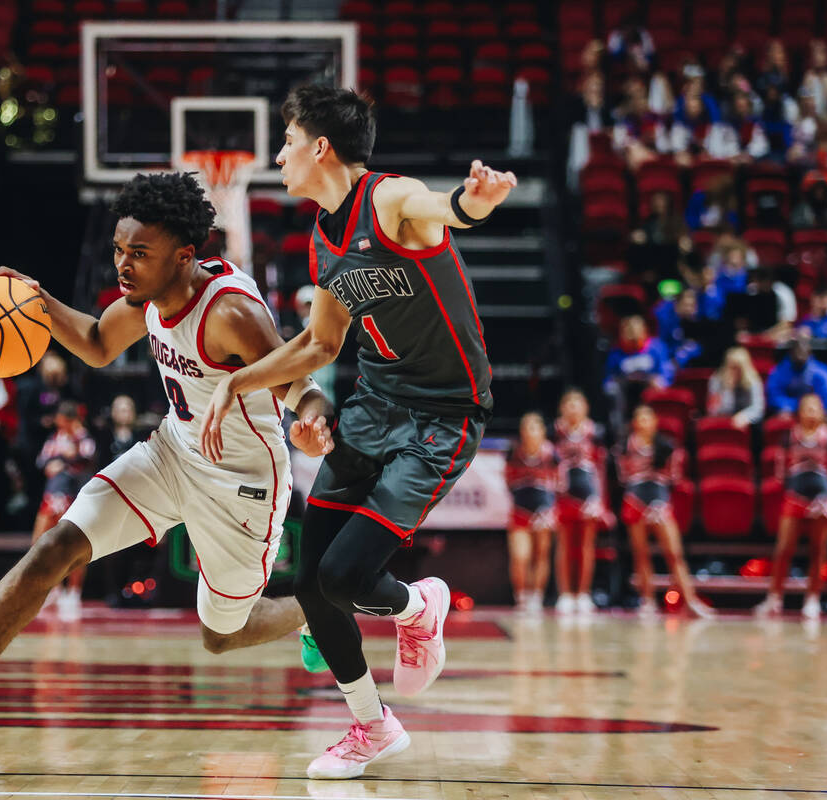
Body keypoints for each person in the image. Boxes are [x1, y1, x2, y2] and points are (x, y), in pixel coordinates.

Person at [0, 171, 334, 757]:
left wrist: (314, 420)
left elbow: (302, 386)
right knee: (54, 548)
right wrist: (34, 298)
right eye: (119, 249)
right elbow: (94, 341)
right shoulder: (147, 297)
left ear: (185, 256)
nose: (123, 264)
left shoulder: (230, 315)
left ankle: (313, 609)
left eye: (138, 253)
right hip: (172, 453)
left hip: (241, 485)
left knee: (223, 636)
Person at [198, 86, 513, 780]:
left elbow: (446, 211)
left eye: (286, 142)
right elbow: (319, 345)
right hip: (373, 408)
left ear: (319, 148)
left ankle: (418, 604)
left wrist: (477, 201)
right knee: (312, 585)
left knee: (346, 576)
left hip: (443, 415)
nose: (277, 154)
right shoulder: (323, 240)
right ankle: (373, 727)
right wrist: (244, 386)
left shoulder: (391, 198)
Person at [616, 404, 714, 619]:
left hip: (659, 499)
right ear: (634, 423)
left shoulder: (666, 446)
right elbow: (623, 477)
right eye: (639, 418)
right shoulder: (624, 446)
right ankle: (647, 601)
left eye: (647, 418)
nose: (643, 422)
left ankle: (690, 600)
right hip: (634, 500)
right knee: (641, 555)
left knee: (674, 554)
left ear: (654, 422)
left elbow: (674, 477)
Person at [756, 393, 827, 621]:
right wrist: (788, 489)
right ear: (799, 412)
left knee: (818, 550)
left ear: (822, 412)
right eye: (807, 408)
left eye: (815, 408)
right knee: (784, 549)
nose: (811, 412)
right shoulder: (790, 437)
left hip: (821, 500)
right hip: (795, 497)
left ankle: (812, 599)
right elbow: (781, 469)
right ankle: (775, 597)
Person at [32, 400, 96, 621]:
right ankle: (55, 588)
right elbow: (41, 461)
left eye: (62, 421)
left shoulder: (83, 437)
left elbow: (87, 459)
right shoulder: (55, 438)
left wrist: (63, 460)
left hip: (74, 493)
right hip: (53, 493)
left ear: (71, 420)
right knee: (41, 540)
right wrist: (60, 459)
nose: (59, 425)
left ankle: (74, 590)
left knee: (72, 545)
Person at [553, 390, 603, 616]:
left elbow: (600, 468)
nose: (573, 407)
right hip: (563, 493)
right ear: (562, 408)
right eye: (568, 403)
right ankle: (564, 594)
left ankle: (583, 594)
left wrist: (599, 500)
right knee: (563, 545)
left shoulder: (596, 432)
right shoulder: (554, 432)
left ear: (586, 408)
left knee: (586, 546)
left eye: (577, 403)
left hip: (588, 494)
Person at [504, 413, 557, 614]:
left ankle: (536, 596)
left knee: (541, 555)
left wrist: (548, 511)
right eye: (526, 428)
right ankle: (521, 595)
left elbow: (559, 483)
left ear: (542, 431)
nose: (530, 432)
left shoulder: (551, 454)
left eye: (534, 427)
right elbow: (508, 480)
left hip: (544, 511)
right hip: (520, 510)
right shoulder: (514, 452)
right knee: (520, 555)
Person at [766, 332, 827, 415]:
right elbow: (774, 397)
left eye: (803, 350)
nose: (800, 354)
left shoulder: (821, 372)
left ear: (809, 352)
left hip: (814, 412)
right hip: (789, 413)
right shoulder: (779, 371)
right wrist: (797, 406)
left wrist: (809, 407)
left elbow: (826, 398)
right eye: (798, 350)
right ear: (791, 352)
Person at [706, 347, 764, 428]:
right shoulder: (717, 379)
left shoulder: (752, 381)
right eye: (729, 366)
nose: (732, 371)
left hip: (746, 424)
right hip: (722, 421)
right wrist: (728, 390)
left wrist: (745, 416)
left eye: (736, 367)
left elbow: (758, 409)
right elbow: (712, 410)